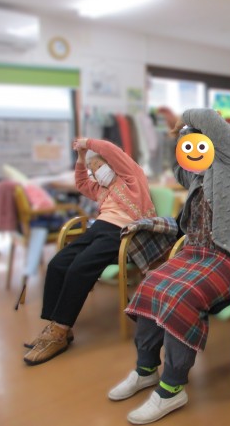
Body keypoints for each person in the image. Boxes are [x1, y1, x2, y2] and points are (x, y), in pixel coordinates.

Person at [108, 108, 230, 425]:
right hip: (194, 253)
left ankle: (172, 388)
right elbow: (180, 163)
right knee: (150, 285)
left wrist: (181, 119)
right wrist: (178, 137)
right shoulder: (197, 176)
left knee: (180, 296)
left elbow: (206, 117)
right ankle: (145, 369)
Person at [23, 138, 156, 365]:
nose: (96, 173)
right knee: (58, 264)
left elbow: (111, 150)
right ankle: (57, 325)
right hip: (99, 228)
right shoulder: (102, 189)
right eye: (93, 170)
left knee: (79, 268)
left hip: (124, 231)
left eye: (99, 167)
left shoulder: (132, 177)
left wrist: (87, 143)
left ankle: (60, 330)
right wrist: (81, 159)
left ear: (112, 165)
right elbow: (81, 183)